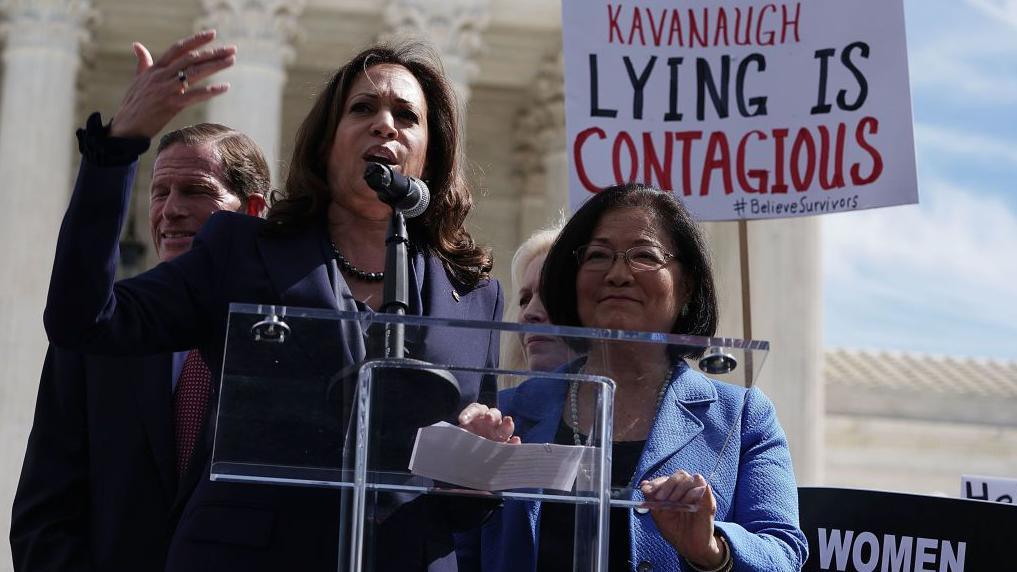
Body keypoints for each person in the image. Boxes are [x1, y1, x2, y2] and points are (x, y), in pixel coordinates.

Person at [43, 30, 502, 572]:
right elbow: (85, 320)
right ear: (325, 144)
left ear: (432, 154)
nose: (386, 124)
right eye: (363, 108)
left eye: (407, 116)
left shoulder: (473, 294)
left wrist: (477, 469)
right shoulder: (243, 253)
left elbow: (456, 496)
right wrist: (118, 148)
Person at [460, 183, 807, 571]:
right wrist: (458, 486)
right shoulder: (510, 413)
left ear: (687, 285)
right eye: (598, 256)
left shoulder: (742, 419)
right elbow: (457, 552)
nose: (618, 273)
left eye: (644, 255)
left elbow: (783, 553)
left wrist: (711, 548)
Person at [11, 121, 270, 571]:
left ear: (251, 211)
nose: (169, 210)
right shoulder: (94, 338)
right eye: (159, 192)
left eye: (194, 190)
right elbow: (43, 516)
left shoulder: (290, 343)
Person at [499, 223, 568, 373]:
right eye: (524, 300)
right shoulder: (503, 397)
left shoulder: (606, 395)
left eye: (550, 294)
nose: (528, 313)